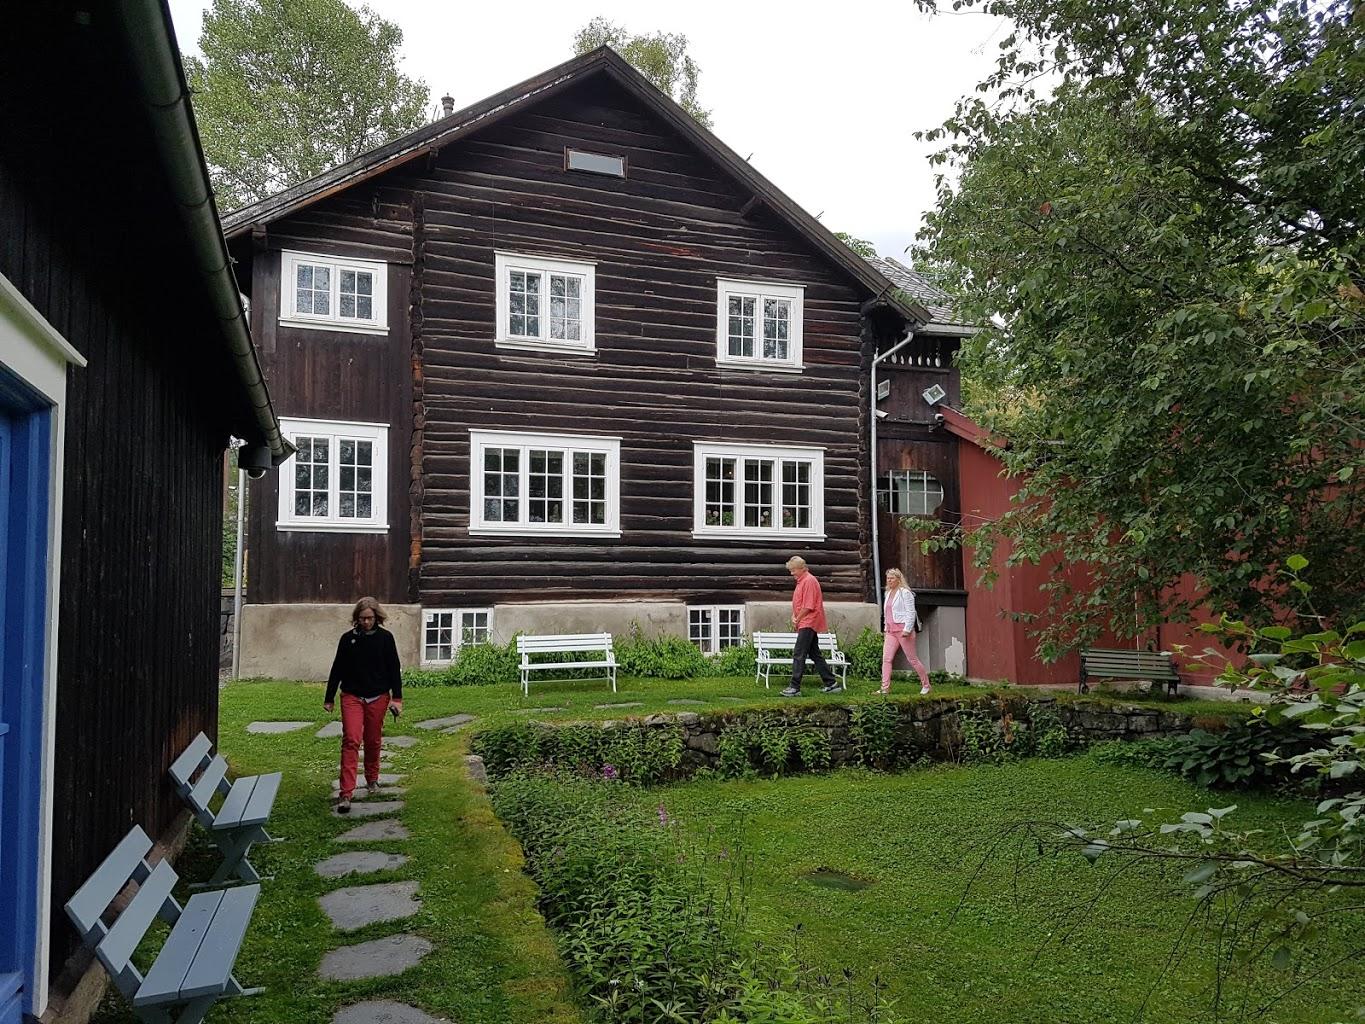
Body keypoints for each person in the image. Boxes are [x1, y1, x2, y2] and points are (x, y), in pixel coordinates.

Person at [324, 597, 403, 813]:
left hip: (378, 696)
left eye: (369, 618)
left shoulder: (386, 639)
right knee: (351, 739)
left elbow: (394, 668)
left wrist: (397, 698)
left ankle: (372, 779)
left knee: (372, 739)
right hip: (352, 696)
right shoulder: (347, 639)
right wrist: (329, 698)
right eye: (362, 619)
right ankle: (346, 793)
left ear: (377, 617)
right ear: (356, 619)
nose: (366, 622)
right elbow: (337, 668)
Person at [782, 556, 840, 697]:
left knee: (799, 653)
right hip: (805, 621)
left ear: (802, 568)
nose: (792, 573)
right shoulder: (802, 581)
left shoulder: (809, 581)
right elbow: (799, 603)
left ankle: (795, 687)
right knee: (814, 654)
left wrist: (797, 619)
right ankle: (831, 683)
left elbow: (808, 606)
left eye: (793, 570)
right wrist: (794, 616)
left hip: (808, 621)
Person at [880, 568, 931, 696]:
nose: (889, 580)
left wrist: (907, 629)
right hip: (891, 631)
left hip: (903, 630)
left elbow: (910, 612)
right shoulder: (888, 593)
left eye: (892, 578)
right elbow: (886, 613)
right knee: (886, 659)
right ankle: (885, 688)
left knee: (912, 659)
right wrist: (886, 628)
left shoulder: (905, 593)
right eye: (888, 578)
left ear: (898, 579)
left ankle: (926, 685)